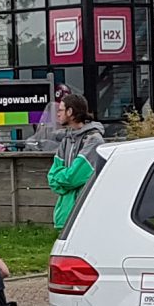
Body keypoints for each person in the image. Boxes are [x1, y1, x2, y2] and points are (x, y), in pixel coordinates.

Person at [46, 93, 105, 229]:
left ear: (70, 112)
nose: (58, 114)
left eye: (60, 110)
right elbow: (51, 178)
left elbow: (71, 178)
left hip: (85, 217)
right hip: (66, 216)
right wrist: (64, 177)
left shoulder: (93, 140)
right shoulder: (67, 139)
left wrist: (63, 178)